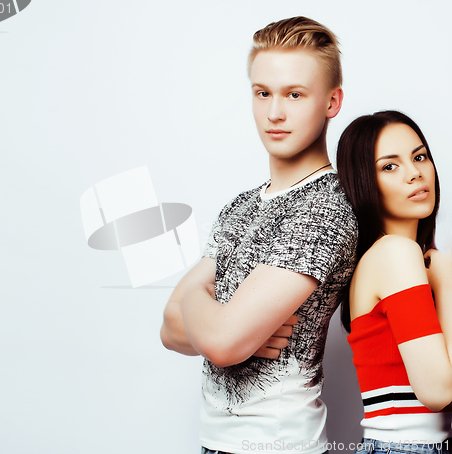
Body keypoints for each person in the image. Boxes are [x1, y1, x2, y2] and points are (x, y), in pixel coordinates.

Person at [161, 17, 358, 454]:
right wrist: (216, 321)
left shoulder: (326, 208)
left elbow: (221, 341)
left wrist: (199, 301)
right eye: (262, 93)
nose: (274, 113)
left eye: (294, 94)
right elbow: (168, 329)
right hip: (215, 443)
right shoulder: (241, 205)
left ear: (332, 101)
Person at [336, 110, 452, 454]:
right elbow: (439, 392)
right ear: (364, 182)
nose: (415, 173)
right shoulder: (395, 254)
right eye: (390, 166)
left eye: (419, 157)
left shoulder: (410, 259)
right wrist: (446, 282)